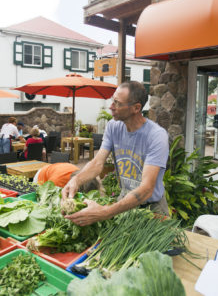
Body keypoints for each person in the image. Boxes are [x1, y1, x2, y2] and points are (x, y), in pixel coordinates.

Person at [62, 81, 169, 226]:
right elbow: (97, 163)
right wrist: (76, 180)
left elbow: (146, 189)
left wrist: (105, 212)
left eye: (117, 103)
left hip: (152, 208)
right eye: (113, 100)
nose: (111, 107)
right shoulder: (113, 126)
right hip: (125, 199)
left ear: (136, 108)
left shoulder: (156, 136)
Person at [34, 162, 99, 192]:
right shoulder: (56, 182)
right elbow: (49, 196)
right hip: (41, 176)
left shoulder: (80, 174)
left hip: (54, 170)